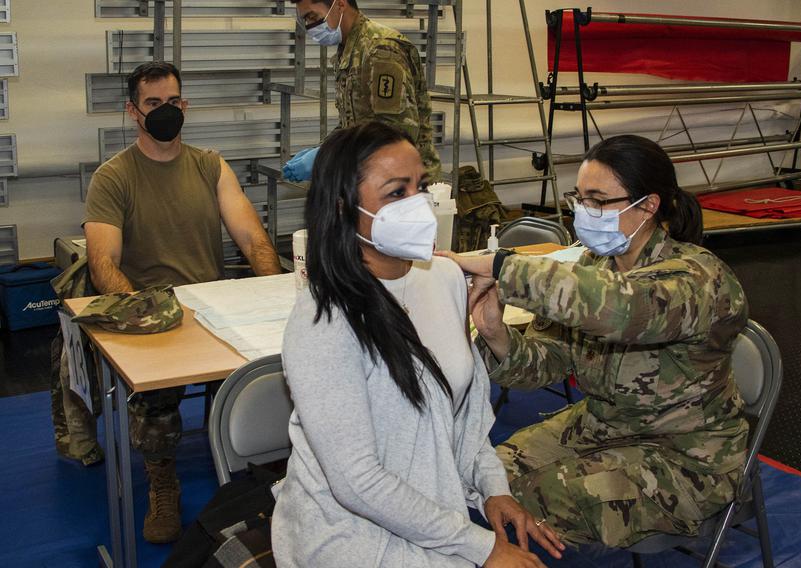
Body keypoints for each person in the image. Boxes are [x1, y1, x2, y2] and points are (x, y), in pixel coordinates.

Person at [273, 121, 564, 567]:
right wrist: (482, 546)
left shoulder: (443, 277)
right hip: (350, 536)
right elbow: (357, 483)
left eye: (421, 186)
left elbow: (463, 414)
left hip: (434, 519)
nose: (419, 204)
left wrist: (493, 489)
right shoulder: (323, 320)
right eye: (396, 192)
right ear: (342, 208)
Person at [442, 134, 750, 549]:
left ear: (649, 204)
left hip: (686, 460)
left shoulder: (698, 278)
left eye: (599, 200)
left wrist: (501, 265)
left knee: (521, 502)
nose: (585, 212)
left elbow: (620, 311)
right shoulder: (593, 265)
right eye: (580, 199)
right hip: (603, 427)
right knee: (483, 480)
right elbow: (546, 364)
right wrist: (495, 332)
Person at [81, 61, 282, 543]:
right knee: (155, 395)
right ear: (133, 111)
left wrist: (276, 298)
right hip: (153, 308)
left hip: (213, 304)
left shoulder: (209, 165)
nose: (166, 112)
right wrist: (146, 317)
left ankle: (255, 473)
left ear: (184, 105)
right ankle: (163, 479)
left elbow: (252, 238)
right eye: (154, 104)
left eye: (173, 102)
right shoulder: (113, 178)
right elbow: (103, 264)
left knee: (264, 374)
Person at [282, 0, 442, 183]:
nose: (310, 26)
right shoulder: (351, 48)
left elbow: (396, 132)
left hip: (406, 183)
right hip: (377, 178)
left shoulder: (380, 49)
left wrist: (331, 155)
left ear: (340, 5)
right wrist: (324, 149)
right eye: (305, 20)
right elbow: (354, 124)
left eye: (312, 16)